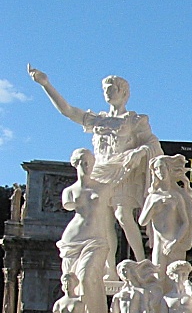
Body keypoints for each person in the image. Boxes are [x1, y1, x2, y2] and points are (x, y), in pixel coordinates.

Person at [29, 66, 163, 270]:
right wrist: (46, 84)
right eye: (105, 89)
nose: (107, 93)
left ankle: (142, 263)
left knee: (123, 216)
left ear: (123, 92)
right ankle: (109, 270)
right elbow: (68, 111)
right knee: (104, 222)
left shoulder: (135, 120)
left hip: (123, 170)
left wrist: (139, 152)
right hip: (100, 172)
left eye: (112, 89)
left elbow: (152, 144)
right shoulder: (97, 120)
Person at [58, 148, 112, 313]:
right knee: (73, 285)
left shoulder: (104, 187)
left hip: (97, 240)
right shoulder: (69, 192)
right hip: (73, 240)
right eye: (82, 162)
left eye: (89, 161)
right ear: (75, 164)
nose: (86, 165)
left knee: (88, 278)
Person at [138, 155, 192, 275]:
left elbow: (185, 223)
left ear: (169, 169)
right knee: (158, 276)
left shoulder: (177, 196)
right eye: (156, 169)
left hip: (175, 242)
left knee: (175, 277)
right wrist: (153, 206)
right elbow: (142, 222)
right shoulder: (152, 197)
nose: (160, 171)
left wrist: (175, 242)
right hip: (159, 243)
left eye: (162, 168)